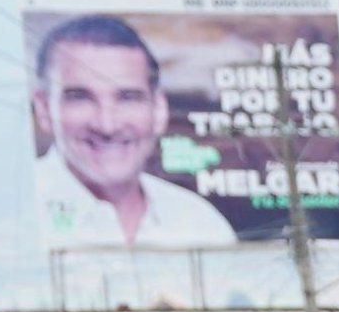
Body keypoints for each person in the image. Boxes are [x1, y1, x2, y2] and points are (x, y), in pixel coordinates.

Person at [26, 14, 246, 250]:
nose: (107, 126)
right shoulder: (12, 217)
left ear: (159, 110)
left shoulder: (199, 223)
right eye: (80, 98)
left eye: (128, 97)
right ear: (44, 109)